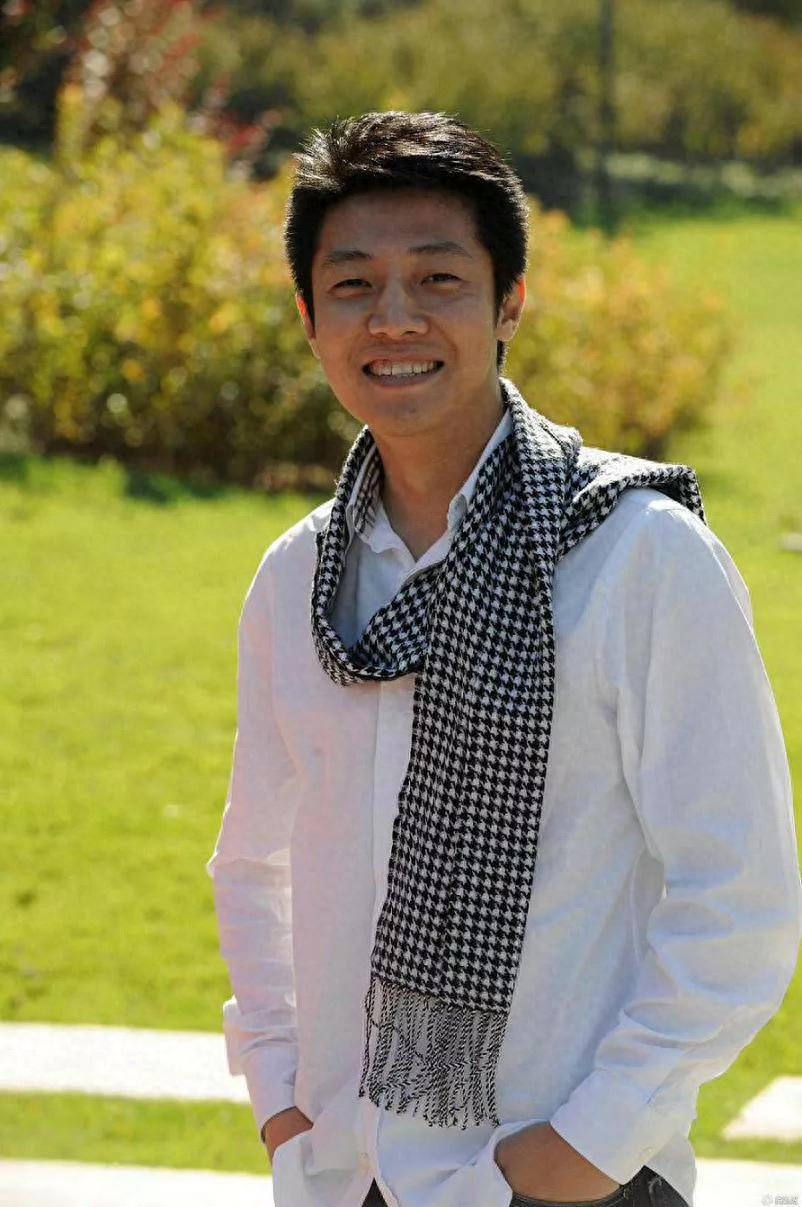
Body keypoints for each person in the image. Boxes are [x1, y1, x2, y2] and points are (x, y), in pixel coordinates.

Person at [205, 111, 802, 1207]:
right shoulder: (300, 579)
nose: (394, 318)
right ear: (308, 318)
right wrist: (283, 1098)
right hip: (348, 1173)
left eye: (438, 279)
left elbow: (739, 898)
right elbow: (255, 863)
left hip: (561, 1176)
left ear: (509, 302)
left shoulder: (637, 556)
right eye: (353, 285)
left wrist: (583, 1147)